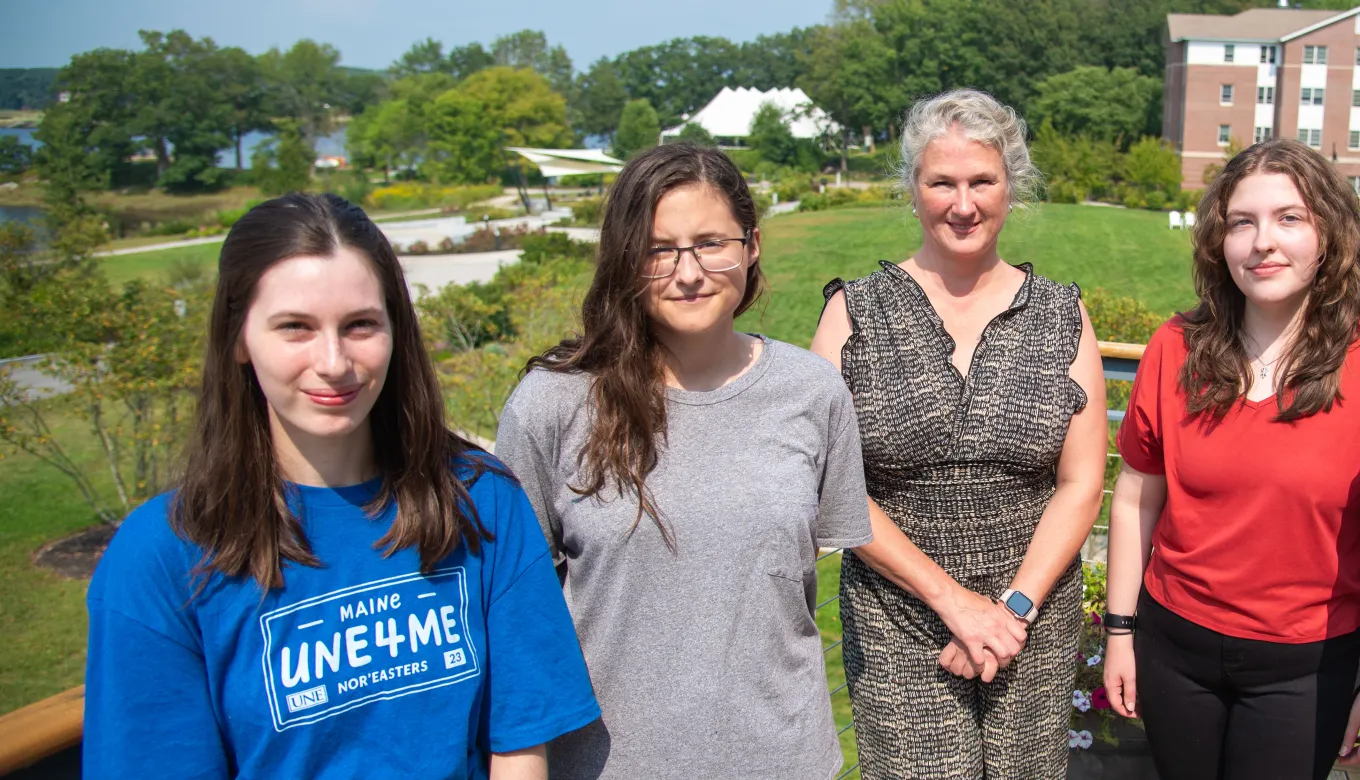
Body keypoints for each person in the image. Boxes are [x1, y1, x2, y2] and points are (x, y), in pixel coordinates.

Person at [84, 193, 599, 779]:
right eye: (295, 328)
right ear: (238, 339)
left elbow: (521, 742)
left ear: (395, 331)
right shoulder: (163, 554)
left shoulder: (479, 502)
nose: (333, 362)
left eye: (360, 325)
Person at [494, 143, 873, 780]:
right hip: (608, 767)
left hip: (782, 759)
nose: (688, 272)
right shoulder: (551, 404)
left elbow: (791, 576)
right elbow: (513, 619)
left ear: (751, 246)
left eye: (710, 243)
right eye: (658, 249)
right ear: (623, 258)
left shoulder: (814, 392)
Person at [1098, 139, 1360, 779]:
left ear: (1329, 234)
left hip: (1307, 666)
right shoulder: (1176, 347)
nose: (1262, 242)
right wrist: (1120, 631)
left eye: (1290, 218)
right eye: (1242, 222)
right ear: (1219, 243)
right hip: (1174, 648)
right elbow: (1138, 495)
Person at [808, 88, 1107, 779]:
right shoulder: (852, 314)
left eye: (983, 181)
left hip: (1030, 621)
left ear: (1012, 188)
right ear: (912, 189)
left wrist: (1012, 609)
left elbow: (1081, 481)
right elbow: (832, 485)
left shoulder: (1064, 315)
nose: (963, 203)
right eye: (942, 182)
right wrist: (953, 604)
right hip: (898, 620)